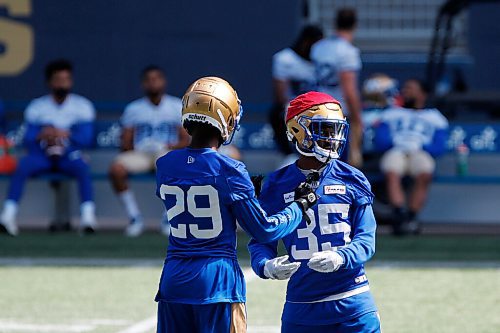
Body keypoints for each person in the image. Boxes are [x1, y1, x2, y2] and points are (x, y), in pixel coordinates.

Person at [154, 77, 318, 333]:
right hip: (217, 281)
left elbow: (197, 181)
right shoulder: (230, 169)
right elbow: (265, 229)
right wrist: (299, 207)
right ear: (225, 118)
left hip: (173, 279)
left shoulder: (165, 164)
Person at [249, 91, 380, 333]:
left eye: (335, 130)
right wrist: (266, 266)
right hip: (302, 306)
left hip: (353, 302)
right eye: (324, 129)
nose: (333, 138)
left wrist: (342, 257)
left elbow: (366, 239)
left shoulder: (352, 178)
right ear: (298, 131)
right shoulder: (276, 184)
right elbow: (261, 239)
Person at [0, 59, 96, 236]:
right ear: (50, 82)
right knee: (22, 166)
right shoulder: (38, 106)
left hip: (69, 153)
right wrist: (43, 134)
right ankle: (7, 216)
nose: (62, 83)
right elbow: (28, 139)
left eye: (66, 79)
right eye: (58, 79)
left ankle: (88, 219)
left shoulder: (82, 106)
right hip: (42, 154)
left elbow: (86, 138)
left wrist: (66, 134)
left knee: (82, 166)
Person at [108, 65, 189, 237]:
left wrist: (169, 146)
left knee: (173, 165)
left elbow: (185, 141)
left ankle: (169, 217)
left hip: (166, 151)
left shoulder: (176, 106)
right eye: (149, 80)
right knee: (116, 169)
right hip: (142, 154)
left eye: (156, 79)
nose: (153, 84)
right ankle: (134, 217)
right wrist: (140, 146)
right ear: (143, 84)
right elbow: (125, 143)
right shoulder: (134, 109)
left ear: (163, 81)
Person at [375, 79, 449, 235]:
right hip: (396, 150)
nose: (406, 92)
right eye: (405, 88)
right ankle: (399, 213)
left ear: (423, 93)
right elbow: (380, 140)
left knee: (425, 171)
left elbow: (439, 145)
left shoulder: (435, 116)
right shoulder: (391, 113)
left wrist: (421, 146)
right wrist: (397, 142)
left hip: (420, 150)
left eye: (411, 88)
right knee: (391, 170)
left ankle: (412, 216)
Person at [311, 8, 363, 168]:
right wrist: (358, 119)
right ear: (354, 25)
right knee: (339, 165)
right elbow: (349, 90)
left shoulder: (318, 47)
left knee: (318, 162)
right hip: (338, 113)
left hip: (317, 110)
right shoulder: (348, 52)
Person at [270, 25, 323, 158]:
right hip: (295, 108)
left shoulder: (323, 61)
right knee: (279, 112)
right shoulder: (285, 59)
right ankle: (289, 154)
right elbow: (282, 96)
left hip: (319, 108)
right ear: (306, 42)